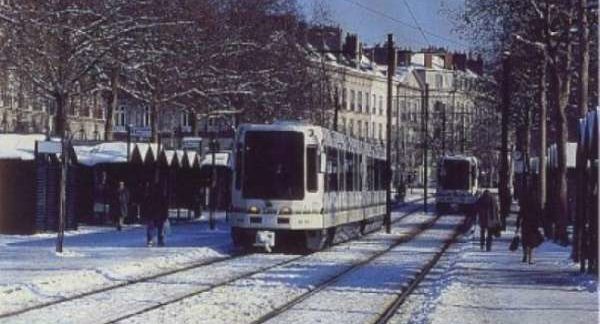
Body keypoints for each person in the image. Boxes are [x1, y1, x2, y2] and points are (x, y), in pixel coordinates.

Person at [517, 177, 542, 264]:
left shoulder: (524, 201)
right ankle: (530, 258)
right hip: (533, 223)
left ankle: (524, 254)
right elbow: (539, 212)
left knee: (525, 240)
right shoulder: (536, 201)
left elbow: (520, 213)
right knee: (531, 241)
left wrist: (517, 224)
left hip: (525, 223)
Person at [142, 179, 168, 247]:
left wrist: (145, 215)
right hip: (159, 215)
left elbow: (145, 206)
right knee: (160, 229)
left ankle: (150, 240)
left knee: (151, 228)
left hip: (152, 215)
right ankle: (160, 240)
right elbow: (165, 207)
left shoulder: (149, 196)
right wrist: (165, 216)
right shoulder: (162, 197)